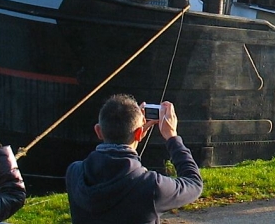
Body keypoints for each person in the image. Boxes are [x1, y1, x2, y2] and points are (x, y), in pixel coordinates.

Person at [66, 95, 202, 224]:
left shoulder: (75, 173)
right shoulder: (151, 187)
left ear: (98, 131)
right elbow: (194, 184)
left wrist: (133, 137)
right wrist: (172, 138)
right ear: (138, 133)